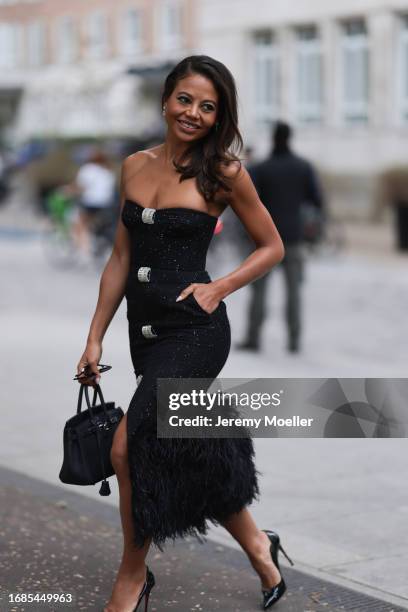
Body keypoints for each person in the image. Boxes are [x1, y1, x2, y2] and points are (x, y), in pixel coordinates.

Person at [75, 56, 290, 612]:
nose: (193, 113)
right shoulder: (133, 165)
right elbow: (120, 258)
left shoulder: (224, 172)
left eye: (208, 106)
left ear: (220, 117)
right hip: (144, 333)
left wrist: (220, 287)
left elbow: (272, 246)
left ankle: (131, 576)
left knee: (129, 447)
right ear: (166, 100)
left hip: (196, 331)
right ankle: (261, 549)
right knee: (195, 450)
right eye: (185, 99)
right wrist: (95, 337)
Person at [237, 121, 325, 353]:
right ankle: (294, 341)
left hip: (264, 240)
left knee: (259, 291)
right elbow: (317, 201)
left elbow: (246, 203)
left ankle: (253, 338)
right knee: (294, 292)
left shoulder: (261, 168)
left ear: (273, 138)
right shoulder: (303, 167)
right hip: (293, 238)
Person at [68, 148, 117, 258]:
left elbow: (80, 187)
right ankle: (97, 240)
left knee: (79, 223)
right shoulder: (109, 170)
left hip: (90, 203)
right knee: (96, 223)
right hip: (107, 204)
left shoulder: (87, 169)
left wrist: (68, 191)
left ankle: (83, 250)